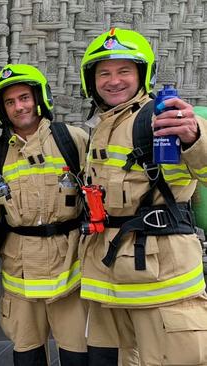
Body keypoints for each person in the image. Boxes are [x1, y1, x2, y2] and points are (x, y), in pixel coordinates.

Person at [79, 27, 207, 365]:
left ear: (142, 74)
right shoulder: (102, 126)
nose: (113, 80)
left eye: (124, 71)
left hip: (163, 284)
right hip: (111, 282)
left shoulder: (161, 116)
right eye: (104, 73)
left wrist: (195, 137)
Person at [0, 64, 89, 365]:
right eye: (10, 102)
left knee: (78, 354)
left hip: (70, 268)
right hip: (19, 272)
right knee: (27, 355)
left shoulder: (72, 140)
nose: (18, 106)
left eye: (24, 97)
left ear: (39, 98)